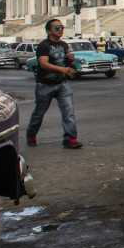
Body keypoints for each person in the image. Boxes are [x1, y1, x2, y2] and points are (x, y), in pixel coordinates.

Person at [26, 18, 82, 149]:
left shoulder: (63, 45)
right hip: (45, 84)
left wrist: (70, 59)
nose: (60, 29)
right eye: (57, 28)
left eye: (62, 27)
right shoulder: (43, 46)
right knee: (39, 113)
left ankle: (70, 138)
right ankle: (31, 134)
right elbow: (43, 64)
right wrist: (62, 69)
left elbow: (65, 61)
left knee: (68, 112)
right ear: (48, 31)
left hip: (62, 83)